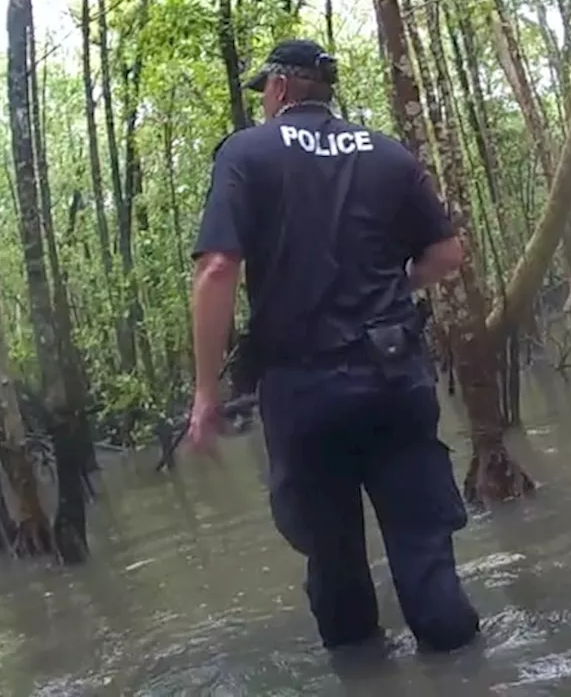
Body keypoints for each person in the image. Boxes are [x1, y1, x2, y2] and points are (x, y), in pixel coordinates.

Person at [187, 38, 480, 653]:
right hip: (396, 377)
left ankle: (363, 669)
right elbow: (448, 254)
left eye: (265, 88)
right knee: (426, 552)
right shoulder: (388, 154)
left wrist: (206, 392)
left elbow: (218, 269)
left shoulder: (246, 152)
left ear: (282, 89)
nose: (264, 100)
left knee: (335, 563)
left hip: (305, 392)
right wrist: (397, 286)